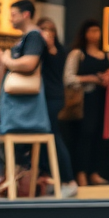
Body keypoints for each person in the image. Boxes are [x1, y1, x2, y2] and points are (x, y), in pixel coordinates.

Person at [0, 0, 51, 194]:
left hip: (21, 101)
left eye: (13, 14)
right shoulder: (27, 37)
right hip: (12, 100)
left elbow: (29, 64)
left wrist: (7, 60)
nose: (10, 18)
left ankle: (14, 164)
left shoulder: (33, 36)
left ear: (25, 14)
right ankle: (14, 163)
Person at [64, 20, 109, 186]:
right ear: (85, 33)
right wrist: (91, 78)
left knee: (100, 136)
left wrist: (106, 78)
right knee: (84, 135)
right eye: (91, 31)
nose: (95, 35)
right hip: (85, 100)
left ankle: (95, 172)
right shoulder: (78, 54)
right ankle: (81, 173)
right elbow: (68, 78)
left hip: (104, 99)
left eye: (97, 31)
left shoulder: (108, 55)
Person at [37, 18, 79, 197]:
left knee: (53, 137)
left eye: (50, 29)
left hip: (52, 99)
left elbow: (54, 63)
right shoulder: (44, 50)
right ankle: (52, 179)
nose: (48, 32)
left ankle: (69, 180)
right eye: (44, 29)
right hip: (47, 99)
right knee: (47, 139)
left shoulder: (56, 51)